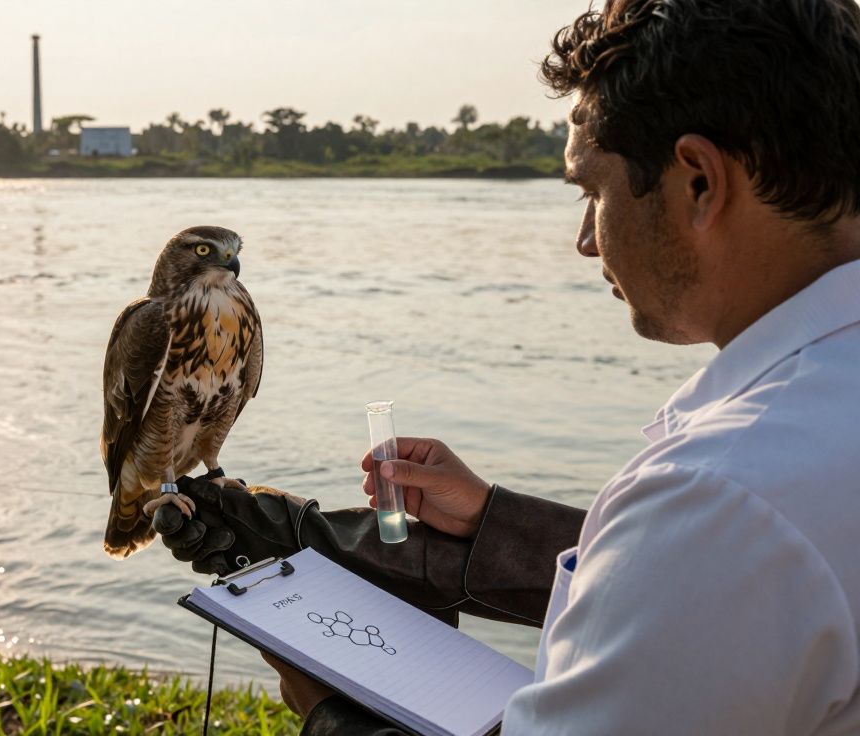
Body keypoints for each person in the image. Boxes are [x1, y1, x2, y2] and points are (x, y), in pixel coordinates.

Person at [154, 0, 860, 733]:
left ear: (700, 183)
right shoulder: (791, 445)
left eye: (593, 192)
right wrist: (487, 530)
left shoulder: (721, 499)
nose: (586, 241)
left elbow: (712, 552)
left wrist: (335, 709)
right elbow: (722, 595)